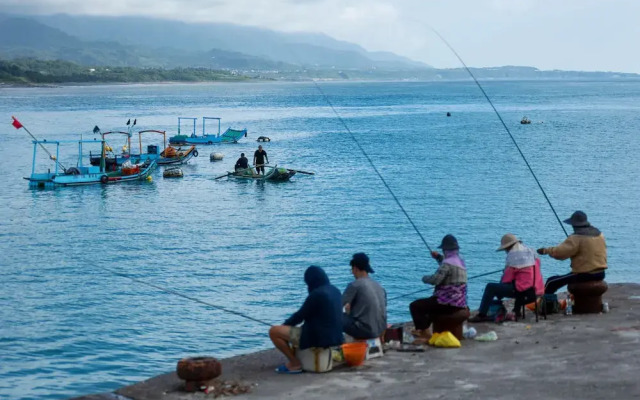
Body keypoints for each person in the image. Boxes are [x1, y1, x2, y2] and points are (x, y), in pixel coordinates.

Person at [268, 266, 343, 374]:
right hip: (336, 337)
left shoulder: (317, 294)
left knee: (274, 331)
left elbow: (299, 316)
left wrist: (284, 326)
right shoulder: (335, 290)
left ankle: (294, 363)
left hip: (317, 338)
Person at [469, 233, 543, 322]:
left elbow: (506, 280)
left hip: (524, 292)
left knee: (490, 287)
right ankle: (517, 311)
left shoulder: (513, 257)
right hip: (537, 289)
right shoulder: (531, 252)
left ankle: (482, 314)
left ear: (508, 247)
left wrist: (504, 273)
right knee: (519, 283)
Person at [409, 234, 467, 342]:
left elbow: (435, 280)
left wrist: (424, 278)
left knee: (415, 306)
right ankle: (423, 330)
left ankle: (424, 332)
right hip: (460, 302)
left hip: (447, 303)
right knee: (429, 304)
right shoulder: (460, 262)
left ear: (445, 250)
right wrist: (438, 257)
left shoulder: (447, 264)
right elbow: (447, 267)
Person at [537, 211, 607, 294]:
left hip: (585, 274)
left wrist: (545, 251)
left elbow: (559, 253)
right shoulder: (599, 234)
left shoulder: (576, 238)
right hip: (601, 273)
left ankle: (547, 306)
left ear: (574, 225)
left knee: (551, 282)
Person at [342, 253, 387, 340]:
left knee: (336, 316)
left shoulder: (354, 285)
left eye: (352, 270)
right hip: (381, 329)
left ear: (355, 269)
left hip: (366, 331)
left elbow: (338, 305)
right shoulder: (379, 286)